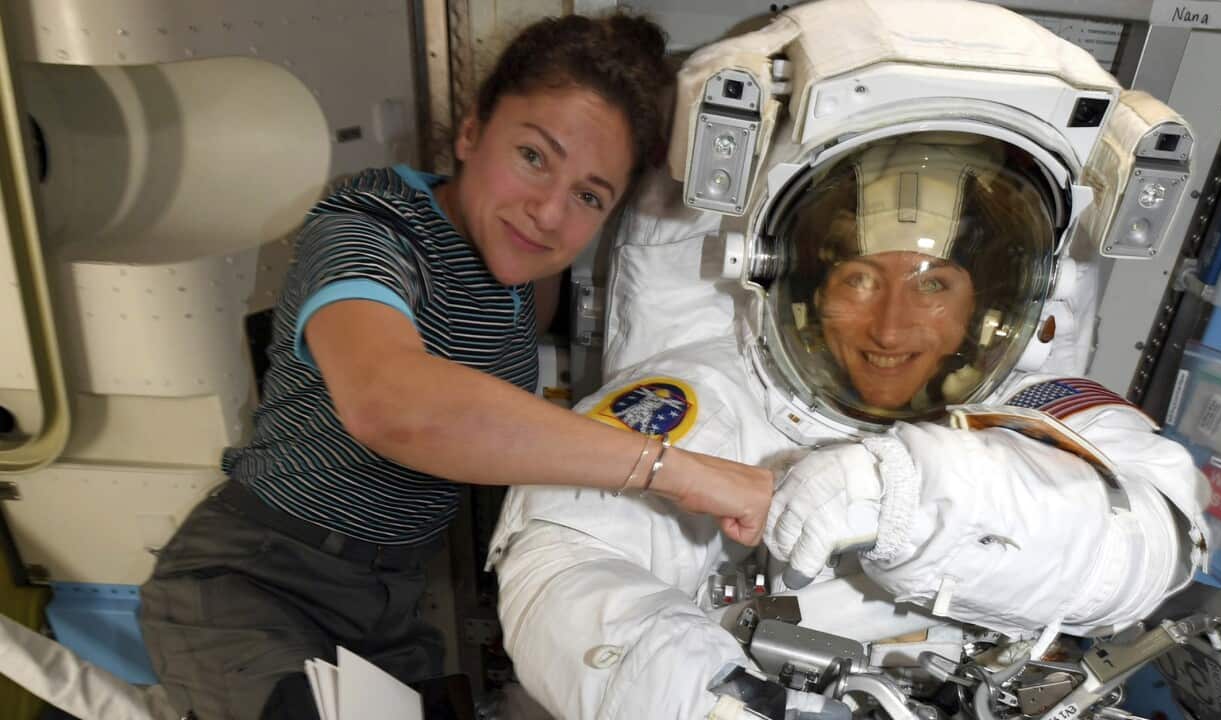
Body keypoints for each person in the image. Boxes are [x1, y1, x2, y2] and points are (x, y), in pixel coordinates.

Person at [138, 13, 774, 720]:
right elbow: (393, 405)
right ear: (471, 133)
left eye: (589, 196)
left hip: (390, 607)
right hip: (255, 582)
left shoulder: (528, 277)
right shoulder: (370, 226)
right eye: (533, 156)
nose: (546, 211)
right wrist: (679, 472)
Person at [487, 128, 1209, 718]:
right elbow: (564, 561)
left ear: (985, 300)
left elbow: (1156, 540)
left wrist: (904, 495)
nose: (891, 329)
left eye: (934, 285)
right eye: (859, 279)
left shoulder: (1034, 404)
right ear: (804, 288)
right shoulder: (718, 391)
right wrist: (722, 703)